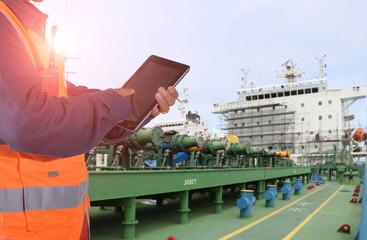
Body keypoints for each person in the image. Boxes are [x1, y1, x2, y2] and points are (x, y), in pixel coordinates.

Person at [0, 0, 178, 239]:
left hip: (61, 227)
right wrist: (115, 103)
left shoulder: (23, 29)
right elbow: (28, 121)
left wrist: (136, 107)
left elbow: (71, 101)